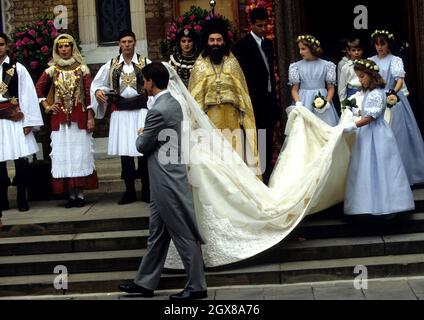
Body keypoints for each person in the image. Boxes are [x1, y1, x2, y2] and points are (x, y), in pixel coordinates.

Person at [118, 62, 207, 300]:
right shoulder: (172, 103)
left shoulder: (158, 110)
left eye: (144, 80)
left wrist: (140, 134)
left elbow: (143, 145)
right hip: (165, 176)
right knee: (157, 233)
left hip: (166, 179)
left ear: (150, 82)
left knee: (182, 231)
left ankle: (197, 286)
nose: (143, 84)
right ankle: (145, 283)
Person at [343, 59, 415, 216]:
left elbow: (372, 117)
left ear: (371, 75)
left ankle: (389, 203)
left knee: (381, 165)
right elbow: (367, 112)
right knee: (367, 165)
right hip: (368, 132)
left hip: (377, 133)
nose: (359, 80)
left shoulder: (376, 93)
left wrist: (354, 125)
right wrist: (355, 113)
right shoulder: (369, 92)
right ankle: (368, 202)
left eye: (362, 76)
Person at [189, 18, 260, 173]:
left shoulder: (233, 64)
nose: (215, 44)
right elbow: (194, 100)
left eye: (219, 40)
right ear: (207, 42)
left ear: (224, 41)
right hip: (209, 121)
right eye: (212, 40)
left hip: (232, 120)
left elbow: (243, 95)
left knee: (235, 159)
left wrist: (243, 115)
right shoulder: (199, 66)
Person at [36, 34, 98, 208]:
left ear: (72, 48)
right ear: (57, 50)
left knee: (79, 155)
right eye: (60, 47)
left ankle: (80, 195)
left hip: (79, 117)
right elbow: (38, 89)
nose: (64, 50)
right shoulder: (51, 70)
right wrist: (47, 106)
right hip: (59, 120)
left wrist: (90, 116)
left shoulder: (82, 69)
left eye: (67, 46)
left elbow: (88, 94)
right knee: (65, 156)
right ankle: (71, 195)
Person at [91, 30, 151, 204]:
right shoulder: (111, 65)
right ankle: (129, 191)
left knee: (143, 152)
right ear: (119, 44)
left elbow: (155, 84)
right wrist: (98, 91)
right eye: (123, 41)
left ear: (135, 43)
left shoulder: (144, 62)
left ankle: (146, 190)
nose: (127, 45)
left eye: (130, 41)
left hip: (140, 110)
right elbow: (96, 84)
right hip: (121, 112)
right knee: (125, 153)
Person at [369, 30, 424, 186]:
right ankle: (381, 175)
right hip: (375, 97)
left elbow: (399, 80)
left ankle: (401, 175)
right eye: (377, 44)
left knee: (396, 134)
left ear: (388, 44)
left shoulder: (395, 60)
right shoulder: (370, 60)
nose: (379, 47)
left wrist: (392, 93)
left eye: (383, 44)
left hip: (392, 98)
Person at [233, 7, 281, 185]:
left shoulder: (268, 44)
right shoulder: (242, 46)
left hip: (268, 100)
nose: (263, 29)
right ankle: (256, 180)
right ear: (251, 25)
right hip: (253, 102)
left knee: (267, 141)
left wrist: (274, 101)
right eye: (259, 26)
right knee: (255, 141)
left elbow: (270, 74)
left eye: (265, 25)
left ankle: (267, 178)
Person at [0, 32, 43, 214]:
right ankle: (2, 200)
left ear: (7, 46)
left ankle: (22, 197)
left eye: (1, 44)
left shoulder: (17, 68)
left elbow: (28, 94)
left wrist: (29, 122)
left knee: (21, 162)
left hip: (15, 117)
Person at [289, 35, 339, 126]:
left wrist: (327, 102)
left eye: (303, 49)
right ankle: (262, 140)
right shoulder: (296, 66)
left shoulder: (327, 65)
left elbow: (331, 87)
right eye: (299, 49)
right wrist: (298, 102)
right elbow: (294, 89)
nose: (300, 52)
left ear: (312, 48)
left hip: (321, 99)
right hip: (304, 100)